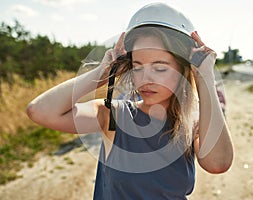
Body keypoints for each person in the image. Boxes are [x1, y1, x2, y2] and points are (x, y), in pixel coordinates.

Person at [26, 3, 233, 199]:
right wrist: (103, 71)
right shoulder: (114, 116)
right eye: (137, 66)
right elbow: (40, 111)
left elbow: (218, 164)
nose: (146, 78)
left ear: (182, 70)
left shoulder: (194, 124)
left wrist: (205, 76)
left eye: (160, 68)